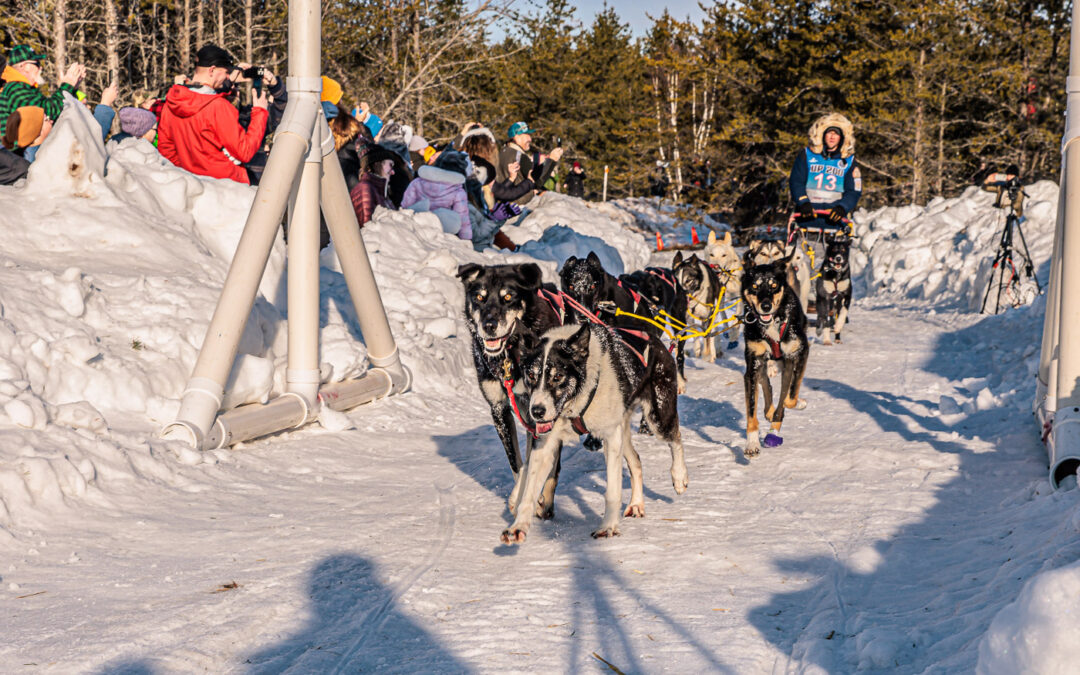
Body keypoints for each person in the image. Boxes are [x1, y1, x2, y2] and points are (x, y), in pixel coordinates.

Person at [158, 44, 268, 184]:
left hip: (193, 186)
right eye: (226, 72)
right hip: (226, 188)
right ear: (212, 70)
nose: (228, 76)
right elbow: (244, 151)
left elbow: (167, 150)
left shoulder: (171, 103)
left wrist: (189, 173)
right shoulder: (218, 107)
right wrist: (260, 112)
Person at [789, 112, 862, 226]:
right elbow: (796, 182)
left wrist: (843, 207)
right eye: (829, 132)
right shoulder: (807, 155)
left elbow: (854, 191)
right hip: (806, 217)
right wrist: (803, 201)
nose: (832, 136)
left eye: (836, 133)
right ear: (822, 134)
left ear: (842, 137)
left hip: (834, 220)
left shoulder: (849, 161)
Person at [0, 46, 84, 135]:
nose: (40, 68)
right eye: (37, 64)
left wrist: (72, 88)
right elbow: (45, 113)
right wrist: (67, 85)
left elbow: (58, 115)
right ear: (24, 66)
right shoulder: (14, 89)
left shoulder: (24, 88)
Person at [401, 150, 472, 241]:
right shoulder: (458, 191)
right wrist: (466, 240)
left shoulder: (417, 182)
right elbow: (462, 219)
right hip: (442, 234)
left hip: (416, 229)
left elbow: (405, 206)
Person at [495, 121, 563, 207]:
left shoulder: (500, 153)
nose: (530, 139)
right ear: (517, 136)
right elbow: (537, 180)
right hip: (519, 208)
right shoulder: (519, 156)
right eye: (527, 135)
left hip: (501, 206)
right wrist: (552, 159)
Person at [349, 139, 398, 229]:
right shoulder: (365, 189)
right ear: (376, 164)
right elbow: (367, 231)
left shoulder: (379, 190)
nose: (393, 172)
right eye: (390, 165)